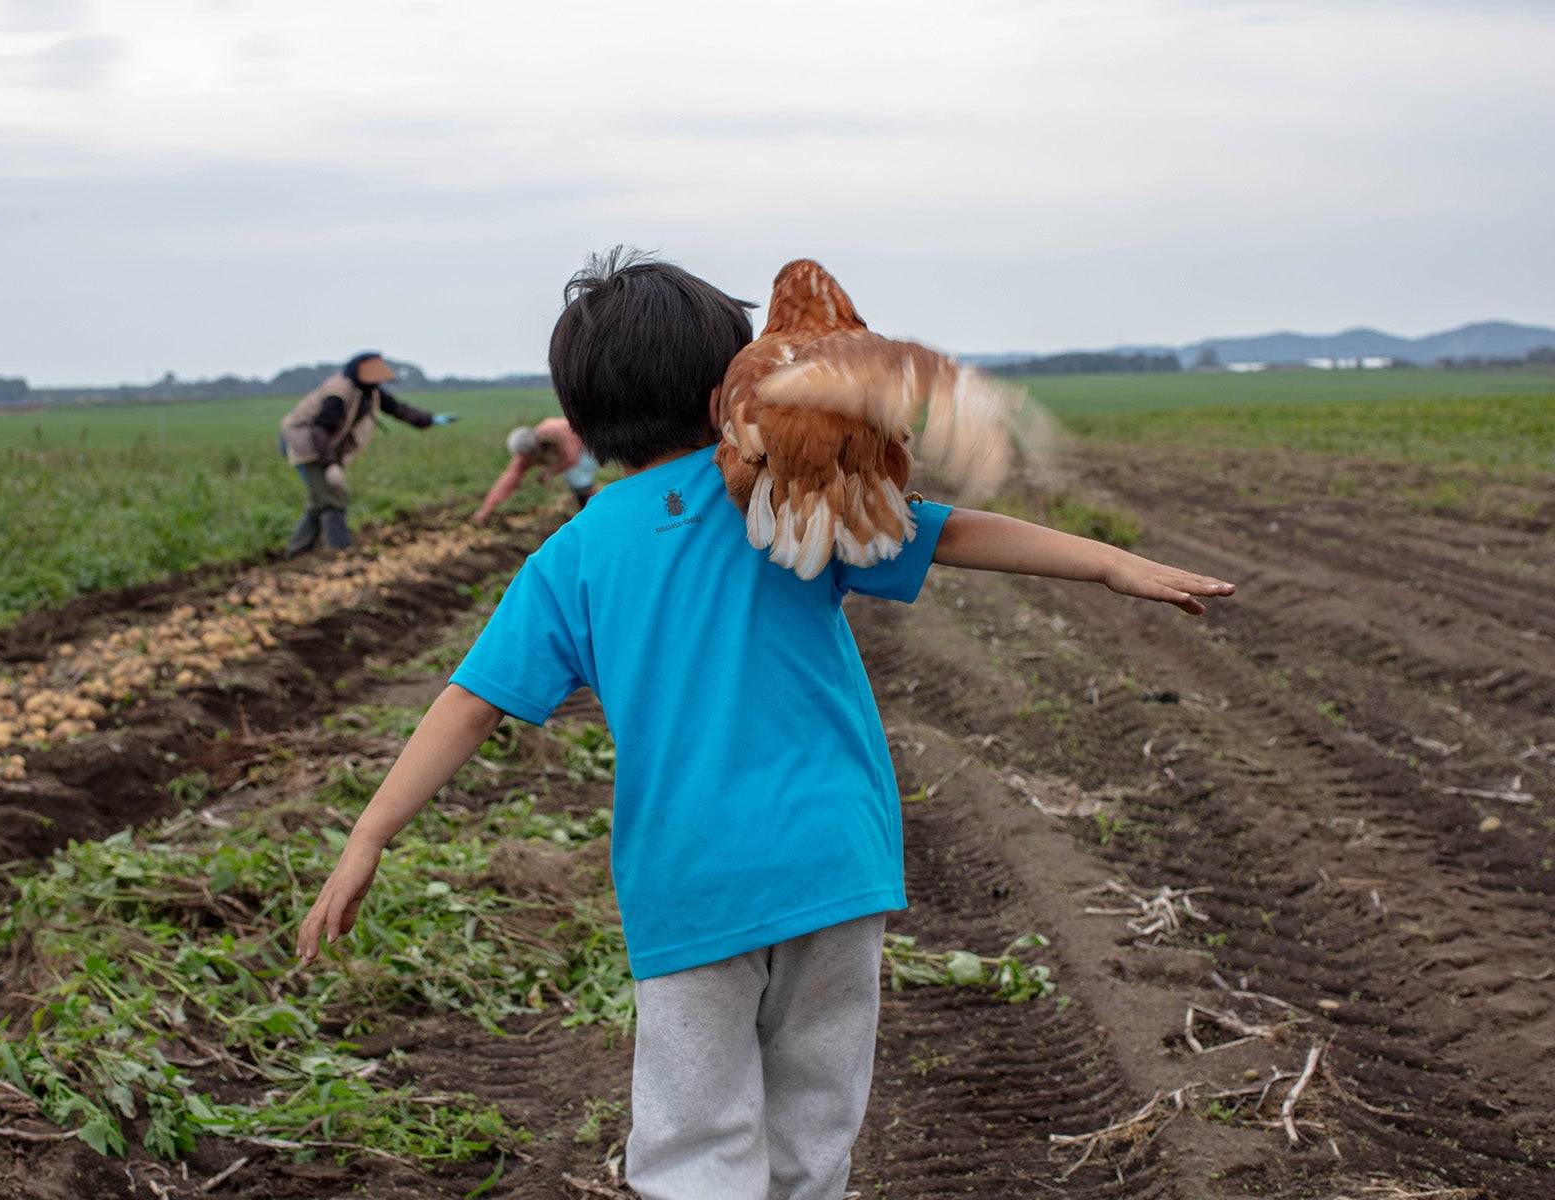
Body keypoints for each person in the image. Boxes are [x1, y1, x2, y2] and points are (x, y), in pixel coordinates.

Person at [295, 250, 1235, 1200]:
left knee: (696, 1139)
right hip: (834, 863)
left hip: (690, 881)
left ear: (579, 419)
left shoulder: (573, 556)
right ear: (729, 394)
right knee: (814, 1123)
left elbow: (470, 702)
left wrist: (369, 835)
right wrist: (1111, 564)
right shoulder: (789, 487)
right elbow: (947, 533)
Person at [276, 353, 458, 558]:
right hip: (305, 443)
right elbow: (320, 430)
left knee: (322, 498)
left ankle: (296, 551)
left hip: (323, 444)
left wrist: (429, 419)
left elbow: (397, 409)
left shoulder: (370, 391)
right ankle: (339, 552)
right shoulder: (339, 392)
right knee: (334, 498)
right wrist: (330, 465)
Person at [470, 416, 599, 523]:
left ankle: (594, 513)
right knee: (575, 480)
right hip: (575, 456)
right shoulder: (524, 457)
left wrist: (550, 471)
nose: (531, 459)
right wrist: (486, 509)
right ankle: (589, 511)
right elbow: (508, 480)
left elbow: (572, 458)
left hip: (587, 445)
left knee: (577, 478)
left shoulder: (554, 431)